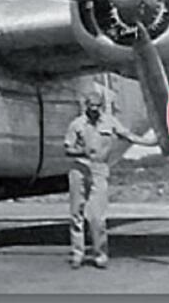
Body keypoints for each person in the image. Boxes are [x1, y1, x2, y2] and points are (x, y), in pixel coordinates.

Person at [64, 92, 157, 269]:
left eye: (97, 106)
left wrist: (151, 142)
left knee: (97, 217)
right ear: (86, 106)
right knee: (76, 213)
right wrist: (82, 152)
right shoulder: (76, 124)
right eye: (91, 106)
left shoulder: (110, 122)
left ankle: (100, 253)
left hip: (99, 169)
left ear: (101, 106)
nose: (94, 109)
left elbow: (128, 135)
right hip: (79, 168)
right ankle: (78, 253)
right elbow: (68, 149)